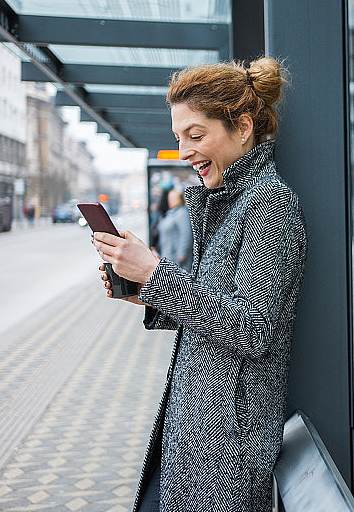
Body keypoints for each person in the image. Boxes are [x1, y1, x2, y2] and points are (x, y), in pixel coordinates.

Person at [92, 57, 307, 512]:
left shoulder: (270, 207)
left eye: (195, 135)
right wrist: (144, 293)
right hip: (198, 431)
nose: (185, 151)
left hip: (226, 449)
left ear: (243, 128)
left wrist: (156, 273)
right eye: (179, 139)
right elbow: (215, 309)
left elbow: (253, 329)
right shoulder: (230, 202)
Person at [156, 189, 193, 271]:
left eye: (173, 198)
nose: (171, 200)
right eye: (169, 198)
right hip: (168, 255)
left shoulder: (182, 213)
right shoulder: (171, 213)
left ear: (180, 199)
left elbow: (186, 234)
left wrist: (182, 254)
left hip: (177, 259)